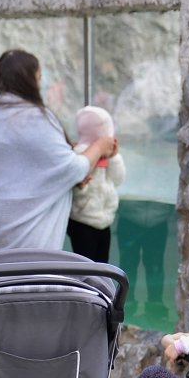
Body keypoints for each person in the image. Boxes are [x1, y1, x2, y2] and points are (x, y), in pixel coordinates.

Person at [0, 50, 116, 254]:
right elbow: (73, 169)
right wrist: (99, 146)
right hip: (30, 242)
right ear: (31, 80)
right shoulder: (36, 118)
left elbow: (23, 162)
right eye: (40, 77)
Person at [66, 104, 126, 263]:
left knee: (101, 266)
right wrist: (82, 186)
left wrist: (114, 157)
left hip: (104, 220)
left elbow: (118, 179)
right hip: (82, 221)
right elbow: (75, 188)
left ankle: (99, 288)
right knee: (86, 267)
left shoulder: (107, 154)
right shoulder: (80, 154)